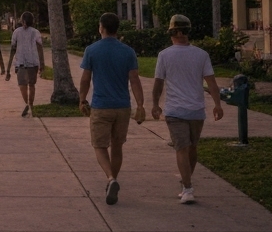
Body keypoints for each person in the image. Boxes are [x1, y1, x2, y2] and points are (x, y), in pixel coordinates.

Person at [151, 14, 225, 204]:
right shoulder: (201, 54)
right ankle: (187, 186)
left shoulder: (164, 55)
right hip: (196, 110)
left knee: (183, 149)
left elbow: (158, 83)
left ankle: (186, 186)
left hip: (175, 110)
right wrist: (217, 104)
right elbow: (212, 83)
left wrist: (155, 104)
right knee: (190, 148)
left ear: (173, 32)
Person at [78, 12, 146, 205]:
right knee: (117, 146)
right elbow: (134, 80)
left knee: (99, 146)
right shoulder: (128, 52)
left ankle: (111, 179)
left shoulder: (92, 50)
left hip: (101, 106)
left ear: (101, 27)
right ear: (117, 28)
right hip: (122, 107)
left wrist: (82, 99)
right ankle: (112, 182)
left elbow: (85, 79)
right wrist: (140, 104)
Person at [9, 11, 45, 117]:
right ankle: (30, 105)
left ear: (23, 21)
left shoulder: (17, 32)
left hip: (22, 62)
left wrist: (9, 66)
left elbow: (13, 48)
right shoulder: (36, 32)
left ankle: (28, 104)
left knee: (23, 85)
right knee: (31, 85)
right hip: (32, 62)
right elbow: (40, 48)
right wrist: (41, 63)